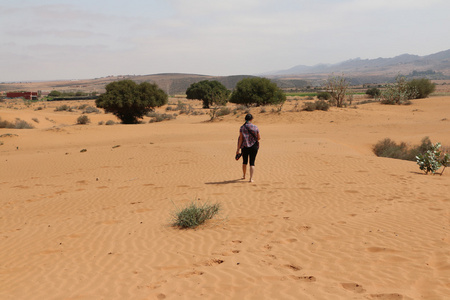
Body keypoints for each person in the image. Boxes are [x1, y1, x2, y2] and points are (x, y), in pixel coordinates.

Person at [236, 113, 261, 182]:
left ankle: (244, 175)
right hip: (254, 146)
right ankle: (251, 178)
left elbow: (240, 139)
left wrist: (238, 149)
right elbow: (259, 138)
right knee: (252, 162)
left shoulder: (242, 127)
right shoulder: (255, 127)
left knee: (244, 162)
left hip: (245, 146)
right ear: (251, 119)